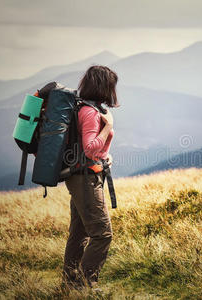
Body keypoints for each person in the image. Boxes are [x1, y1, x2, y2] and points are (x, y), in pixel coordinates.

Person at [62, 65, 118, 290]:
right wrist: (109, 127)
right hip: (85, 179)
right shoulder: (90, 113)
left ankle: (69, 285)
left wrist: (106, 156)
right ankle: (86, 284)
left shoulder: (83, 108)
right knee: (102, 235)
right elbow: (89, 149)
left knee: (79, 233)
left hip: (80, 176)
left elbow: (92, 149)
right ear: (104, 87)